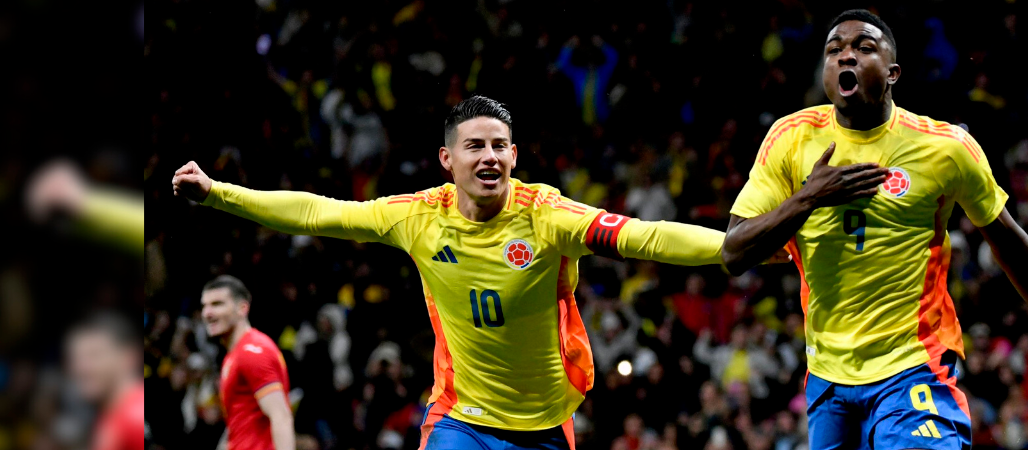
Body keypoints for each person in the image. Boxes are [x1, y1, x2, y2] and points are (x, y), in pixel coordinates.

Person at [172, 96, 734, 450]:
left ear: (514, 156)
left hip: (544, 425)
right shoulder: (418, 217)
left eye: (499, 146)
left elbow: (646, 236)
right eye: (475, 146)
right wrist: (218, 193)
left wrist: (737, 248)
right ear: (448, 160)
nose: (489, 156)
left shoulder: (547, 216)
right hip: (460, 419)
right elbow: (320, 213)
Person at [719, 10, 1028, 449]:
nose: (846, 56)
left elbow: (1009, 243)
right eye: (834, 50)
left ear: (892, 72)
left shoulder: (944, 148)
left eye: (864, 47)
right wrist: (809, 197)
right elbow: (735, 252)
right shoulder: (790, 139)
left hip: (914, 364)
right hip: (828, 377)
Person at [202, 275, 295, 450]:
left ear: (242, 308)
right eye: (204, 306)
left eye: (217, 304)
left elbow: (281, 417)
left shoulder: (253, 351)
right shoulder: (233, 356)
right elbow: (237, 425)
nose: (207, 313)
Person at [66, 312, 145, 450]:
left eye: (94, 355)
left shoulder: (133, 420)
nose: (80, 368)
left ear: (128, 357)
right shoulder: (112, 415)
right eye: (76, 358)